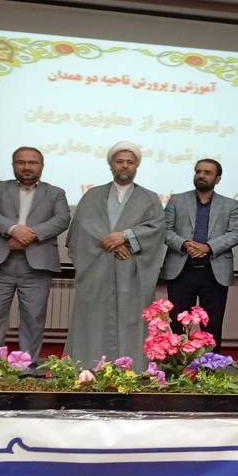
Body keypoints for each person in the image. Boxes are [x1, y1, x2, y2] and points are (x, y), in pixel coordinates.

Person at [67, 141, 166, 368]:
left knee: (133, 318)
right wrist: (112, 242)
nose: (124, 166)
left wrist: (126, 236)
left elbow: (157, 229)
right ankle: (88, 366)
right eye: (119, 161)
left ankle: (132, 368)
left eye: (130, 162)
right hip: (97, 270)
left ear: (136, 166)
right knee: (93, 318)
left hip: (131, 270)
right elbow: (82, 227)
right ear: (111, 165)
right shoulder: (92, 195)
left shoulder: (149, 198)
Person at [0, 146, 71, 361]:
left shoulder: (56, 192)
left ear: (41, 166)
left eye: (32, 162)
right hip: (0, 263)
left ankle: (26, 366)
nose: (27, 167)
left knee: (34, 318)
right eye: (21, 162)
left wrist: (30, 234)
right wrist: (13, 230)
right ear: (13, 165)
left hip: (37, 266)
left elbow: (62, 219)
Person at [161, 158, 238, 348]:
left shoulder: (230, 204)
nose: (201, 175)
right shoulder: (177, 200)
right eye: (198, 171)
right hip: (182, 272)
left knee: (212, 327)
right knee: (179, 326)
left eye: (207, 172)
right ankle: (179, 365)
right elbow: (165, 230)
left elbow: (236, 234)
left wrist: (208, 247)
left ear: (218, 179)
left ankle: (210, 365)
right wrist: (184, 244)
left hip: (214, 273)